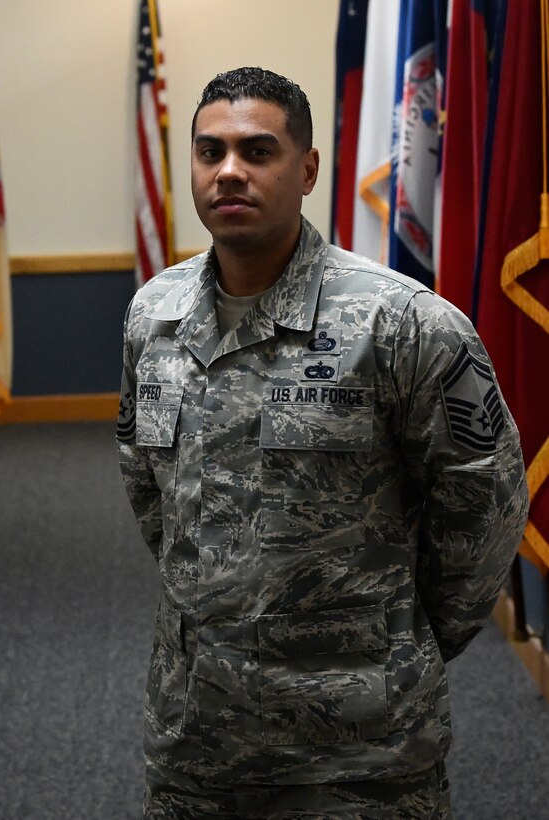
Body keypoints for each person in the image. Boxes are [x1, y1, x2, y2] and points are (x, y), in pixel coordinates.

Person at [117, 66, 529, 819]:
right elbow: (151, 493)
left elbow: (485, 510)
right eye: (210, 152)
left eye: (257, 150)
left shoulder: (405, 324)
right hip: (197, 742)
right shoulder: (154, 317)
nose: (230, 171)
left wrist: (400, 640)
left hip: (359, 754)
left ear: (308, 169)